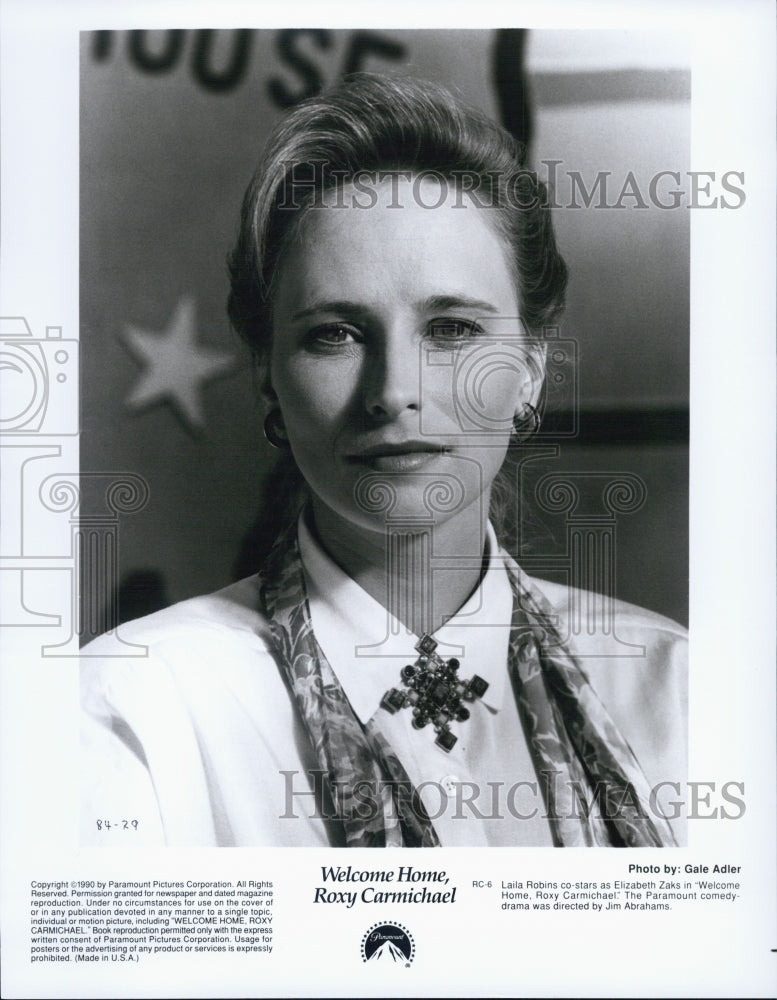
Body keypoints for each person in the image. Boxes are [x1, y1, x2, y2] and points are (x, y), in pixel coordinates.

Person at [81, 73, 686, 848]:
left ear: (532, 364)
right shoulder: (136, 702)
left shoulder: (679, 689)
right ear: (267, 370)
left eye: (453, 330)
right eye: (334, 333)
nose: (393, 392)